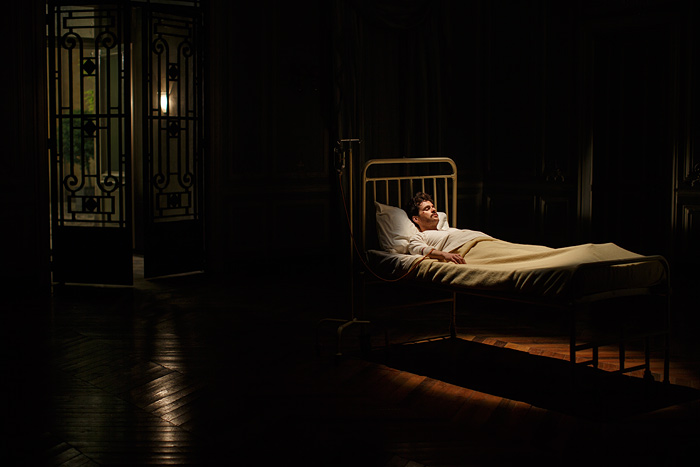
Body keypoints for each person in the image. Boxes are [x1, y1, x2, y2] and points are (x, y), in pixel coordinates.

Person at [404, 192, 491, 264]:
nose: (433, 210)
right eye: (427, 209)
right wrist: (444, 255)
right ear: (416, 219)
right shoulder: (420, 236)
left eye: (433, 207)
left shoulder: (450, 230)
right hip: (469, 249)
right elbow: (416, 248)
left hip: (483, 241)